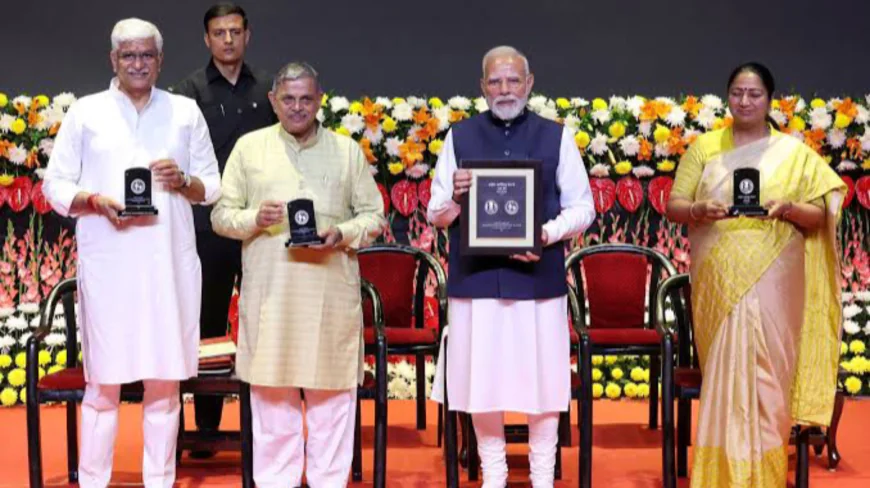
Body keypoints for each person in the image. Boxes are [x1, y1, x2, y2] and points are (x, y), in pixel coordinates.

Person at [42, 18, 221, 488]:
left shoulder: (184, 111)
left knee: (164, 387)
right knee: (103, 386)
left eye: (146, 56)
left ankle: (159, 480)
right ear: (113, 60)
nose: (138, 64)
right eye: (128, 56)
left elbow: (213, 185)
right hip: (110, 266)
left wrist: (183, 181)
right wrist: (95, 201)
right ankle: (94, 481)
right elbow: (55, 185)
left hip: (169, 268)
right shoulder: (87, 112)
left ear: (160, 61)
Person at [665, 62, 846, 487]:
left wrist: (788, 208)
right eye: (737, 93)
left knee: (768, 375)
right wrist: (696, 211)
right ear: (727, 97)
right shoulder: (705, 148)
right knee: (728, 376)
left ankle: (762, 476)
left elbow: (819, 218)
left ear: (770, 100)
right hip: (719, 282)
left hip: (777, 282)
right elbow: (675, 205)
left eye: (754, 94)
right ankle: (719, 476)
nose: (744, 101)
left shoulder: (794, 153)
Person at [211, 61, 385, 487]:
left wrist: (341, 232)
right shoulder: (250, 149)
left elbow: (375, 217)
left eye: (306, 99)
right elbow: (220, 216)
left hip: (329, 302)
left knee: (331, 410)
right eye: (288, 99)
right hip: (273, 300)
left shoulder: (345, 151)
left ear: (319, 100)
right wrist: (255, 218)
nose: (297, 107)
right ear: (273, 101)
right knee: (273, 410)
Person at [428, 46, 596, 487]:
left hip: (538, 280)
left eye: (513, 81)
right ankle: (494, 474)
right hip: (476, 281)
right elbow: (435, 214)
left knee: (544, 383)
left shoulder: (556, 136)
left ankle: (543, 477)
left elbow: (584, 208)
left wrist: (544, 234)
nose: (505, 90)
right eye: (495, 82)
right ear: (482, 87)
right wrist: (457, 199)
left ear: (530, 83)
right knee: (481, 382)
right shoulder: (458, 137)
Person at [170, 3, 276, 452]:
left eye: (235, 31)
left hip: (262, 227)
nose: (228, 40)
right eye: (219, 32)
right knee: (208, 322)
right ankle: (207, 431)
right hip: (207, 227)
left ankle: (266, 428)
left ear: (247, 35)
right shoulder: (187, 91)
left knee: (264, 323)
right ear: (207, 39)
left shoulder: (271, 88)